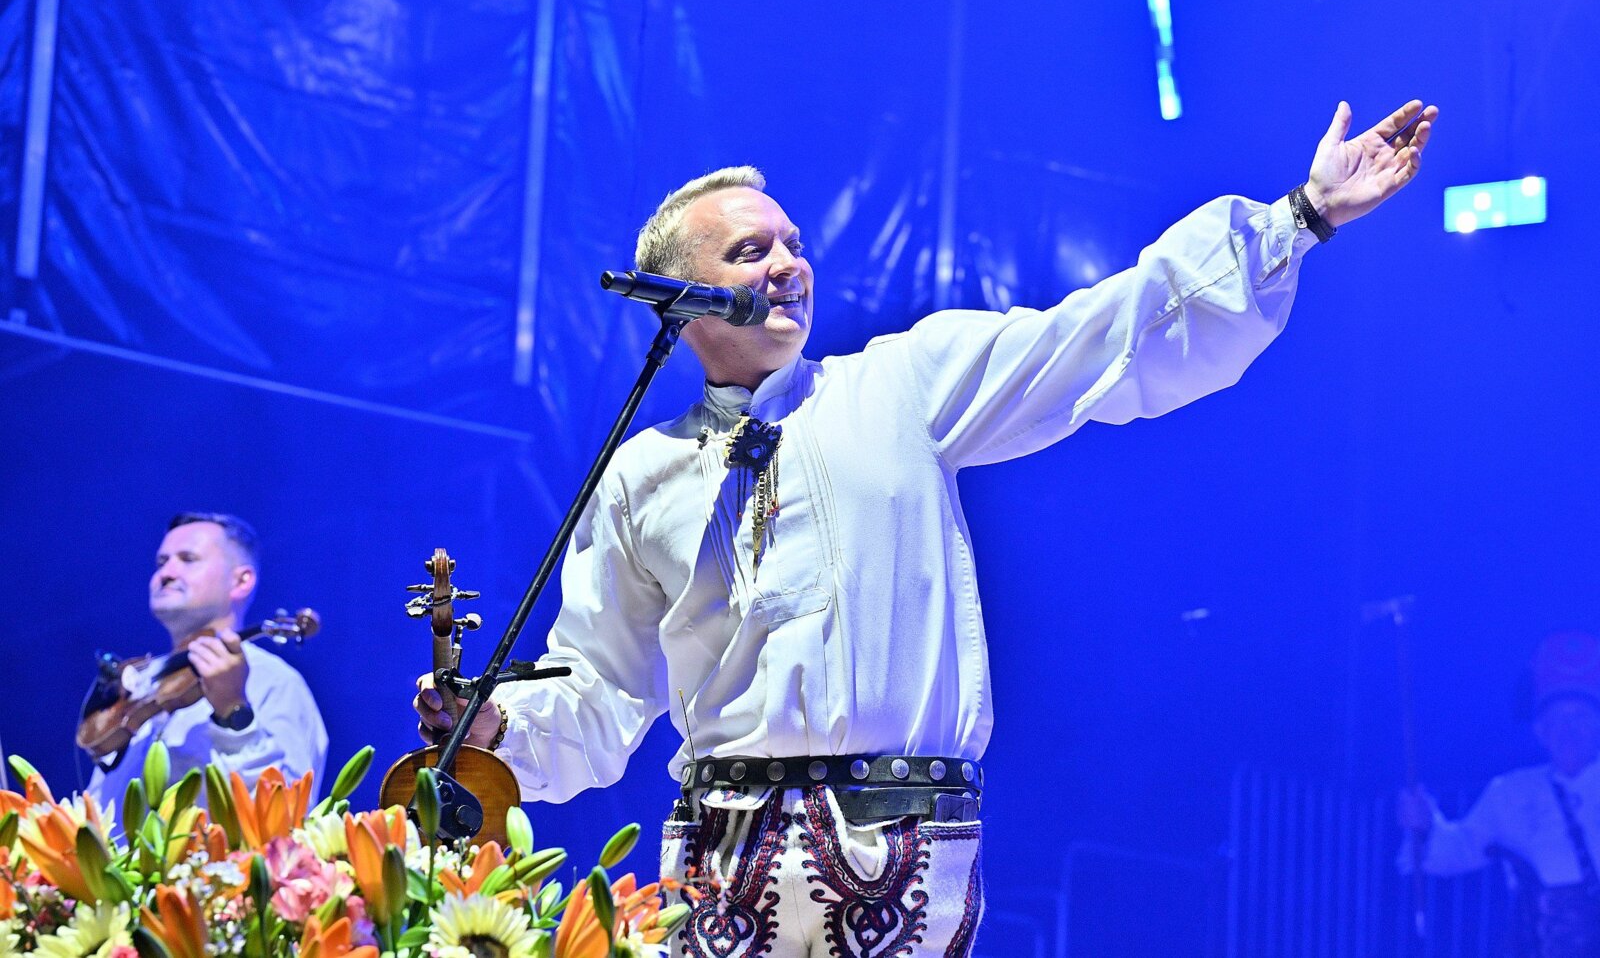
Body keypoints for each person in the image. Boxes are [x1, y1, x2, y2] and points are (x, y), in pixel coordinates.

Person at [417, 100, 1437, 956]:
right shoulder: (644, 474)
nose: (787, 265)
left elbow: (1101, 335)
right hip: (721, 860)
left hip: (895, 848)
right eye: (750, 251)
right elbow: (602, 687)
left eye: (793, 244)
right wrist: (505, 729)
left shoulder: (900, 384)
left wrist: (1301, 216)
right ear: (682, 303)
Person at [83, 513, 328, 808]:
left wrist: (233, 710)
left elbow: (286, 811)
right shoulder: (142, 683)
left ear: (241, 581)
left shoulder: (274, 681)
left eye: (188, 559)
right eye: (161, 562)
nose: (166, 573)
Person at [1398, 631, 1600, 958]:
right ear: (1541, 731)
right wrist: (1424, 825)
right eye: (1558, 718)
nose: (1569, 729)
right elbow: (1458, 850)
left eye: (1581, 716)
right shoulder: (1511, 794)